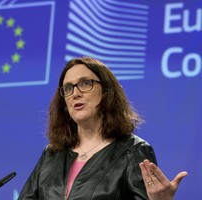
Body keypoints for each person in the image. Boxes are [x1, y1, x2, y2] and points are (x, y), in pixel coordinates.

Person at [18, 57, 187, 200]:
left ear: (107, 92)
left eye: (85, 83)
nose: (75, 93)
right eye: (68, 88)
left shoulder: (132, 151)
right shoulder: (52, 154)